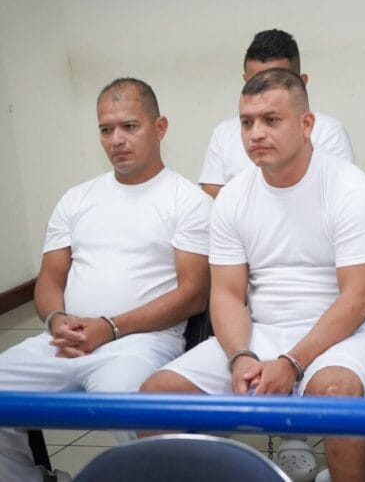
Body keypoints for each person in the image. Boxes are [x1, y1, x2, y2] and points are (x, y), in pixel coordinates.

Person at [141, 68, 365, 482]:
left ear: (306, 124)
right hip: (264, 330)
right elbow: (226, 295)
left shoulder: (350, 187)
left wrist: (292, 362)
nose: (256, 133)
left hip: (350, 332)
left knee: (336, 397)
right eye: (247, 122)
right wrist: (240, 355)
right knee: (157, 396)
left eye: (271, 120)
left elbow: (358, 300)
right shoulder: (233, 197)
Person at [0, 78, 211, 482]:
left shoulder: (187, 201)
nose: (116, 139)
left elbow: (193, 295)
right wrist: (56, 320)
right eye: (106, 129)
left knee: (133, 415)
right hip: (66, 340)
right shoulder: (76, 199)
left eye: (129, 126)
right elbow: (50, 280)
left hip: (140, 343)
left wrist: (110, 327)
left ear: (160, 128)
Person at [198, 29, 354, 198]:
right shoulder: (223, 134)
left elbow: (338, 193)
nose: (264, 90)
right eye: (255, 82)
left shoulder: (329, 132)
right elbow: (213, 199)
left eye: (276, 81)